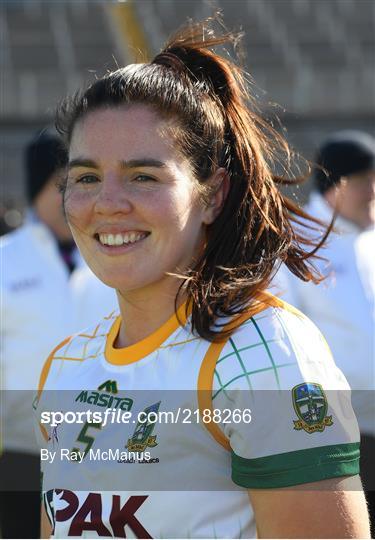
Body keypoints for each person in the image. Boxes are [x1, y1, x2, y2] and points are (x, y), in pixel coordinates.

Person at [34, 22, 370, 539]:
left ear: (212, 194)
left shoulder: (265, 355)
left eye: (144, 176)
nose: (108, 202)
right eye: (85, 177)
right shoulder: (65, 366)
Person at [0, 130, 116, 539]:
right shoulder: (5, 261)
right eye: (63, 185)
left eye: (86, 182)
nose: (77, 198)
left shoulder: (118, 259)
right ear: (36, 190)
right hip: (18, 453)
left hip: (105, 452)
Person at [275, 130, 375, 533]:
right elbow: (282, 334)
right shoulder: (297, 241)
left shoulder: (369, 240)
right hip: (339, 431)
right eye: (369, 181)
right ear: (341, 185)